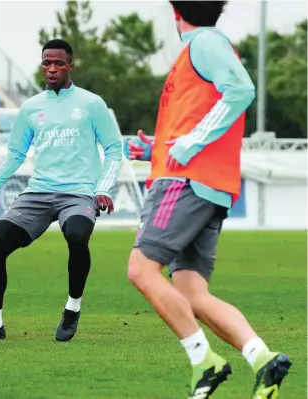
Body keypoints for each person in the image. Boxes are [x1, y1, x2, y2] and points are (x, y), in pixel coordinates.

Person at [123, 2, 291, 398]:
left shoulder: (205, 43)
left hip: (183, 184)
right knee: (192, 294)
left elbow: (241, 90)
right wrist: (155, 151)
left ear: (174, 8)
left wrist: (191, 143)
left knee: (141, 271)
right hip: (205, 186)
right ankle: (263, 360)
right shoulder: (201, 49)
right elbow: (195, 122)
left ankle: (205, 360)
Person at [0, 39, 123, 342]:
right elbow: (15, 153)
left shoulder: (91, 104)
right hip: (38, 192)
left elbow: (114, 150)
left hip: (78, 193)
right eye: (46, 63)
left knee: (77, 237)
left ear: (70, 65)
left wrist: (102, 189)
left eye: (58, 63)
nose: (52, 69)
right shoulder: (30, 108)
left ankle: (72, 308)